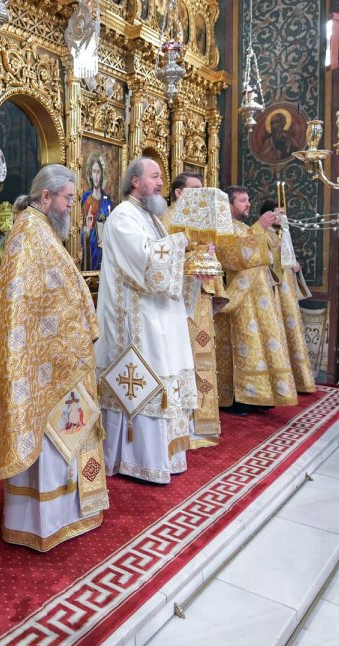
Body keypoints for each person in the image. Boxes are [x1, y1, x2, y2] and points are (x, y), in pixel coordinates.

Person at [0, 164, 107, 550]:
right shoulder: (29, 233)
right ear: (46, 197)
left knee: (68, 432)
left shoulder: (41, 231)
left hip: (60, 357)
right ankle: (45, 520)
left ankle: (67, 513)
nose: (71, 206)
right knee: (50, 438)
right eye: (67, 199)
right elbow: (27, 302)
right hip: (46, 361)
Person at [97, 158, 197, 483]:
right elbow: (144, 259)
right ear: (135, 181)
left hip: (159, 317)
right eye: (154, 177)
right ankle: (137, 460)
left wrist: (191, 261)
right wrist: (183, 244)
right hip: (136, 321)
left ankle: (163, 457)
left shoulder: (152, 218)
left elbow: (165, 260)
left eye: (161, 177)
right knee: (147, 379)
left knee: (165, 373)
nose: (160, 183)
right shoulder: (123, 216)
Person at [214, 186, 298, 412]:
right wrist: (259, 227)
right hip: (240, 297)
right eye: (242, 200)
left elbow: (269, 256)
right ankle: (239, 398)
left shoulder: (243, 227)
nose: (248, 204)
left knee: (259, 347)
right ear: (228, 205)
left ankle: (259, 394)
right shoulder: (222, 227)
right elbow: (233, 257)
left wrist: (272, 232)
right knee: (243, 345)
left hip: (259, 296)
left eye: (248, 199)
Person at [165, 175, 224, 448]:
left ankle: (202, 423)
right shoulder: (167, 220)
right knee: (183, 360)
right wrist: (195, 256)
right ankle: (183, 424)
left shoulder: (200, 221)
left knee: (202, 358)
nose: (202, 193)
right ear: (179, 193)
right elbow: (162, 261)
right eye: (196, 189)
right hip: (178, 303)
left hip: (200, 298)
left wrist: (209, 254)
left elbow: (209, 261)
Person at [257, 199, 316, 393]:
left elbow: (287, 259)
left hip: (287, 291)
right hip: (273, 290)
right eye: (278, 213)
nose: (282, 217)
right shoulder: (260, 234)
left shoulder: (282, 234)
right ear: (268, 214)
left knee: (291, 331)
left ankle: (296, 378)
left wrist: (295, 266)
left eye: (283, 213)